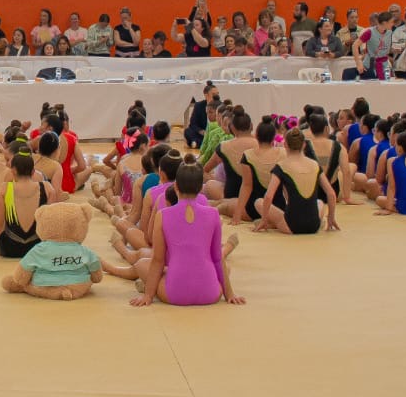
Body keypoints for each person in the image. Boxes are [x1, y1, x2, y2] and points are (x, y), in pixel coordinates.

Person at [127, 163, 245, 307]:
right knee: (224, 267)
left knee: (142, 265)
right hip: (210, 293)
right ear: (201, 188)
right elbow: (218, 258)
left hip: (175, 293)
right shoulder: (213, 214)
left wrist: (148, 295)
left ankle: (147, 286)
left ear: (176, 186)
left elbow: (158, 260)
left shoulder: (162, 215)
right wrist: (230, 294)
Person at [254, 128, 341, 234]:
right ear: (304, 145)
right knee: (319, 202)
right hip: (313, 226)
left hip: (291, 226)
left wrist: (264, 219)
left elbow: (268, 196)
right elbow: (331, 193)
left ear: (285, 145)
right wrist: (331, 218)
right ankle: (322, 221)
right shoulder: (315, 165)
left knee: (259, 202)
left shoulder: (281, 166)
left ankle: (270, 222)